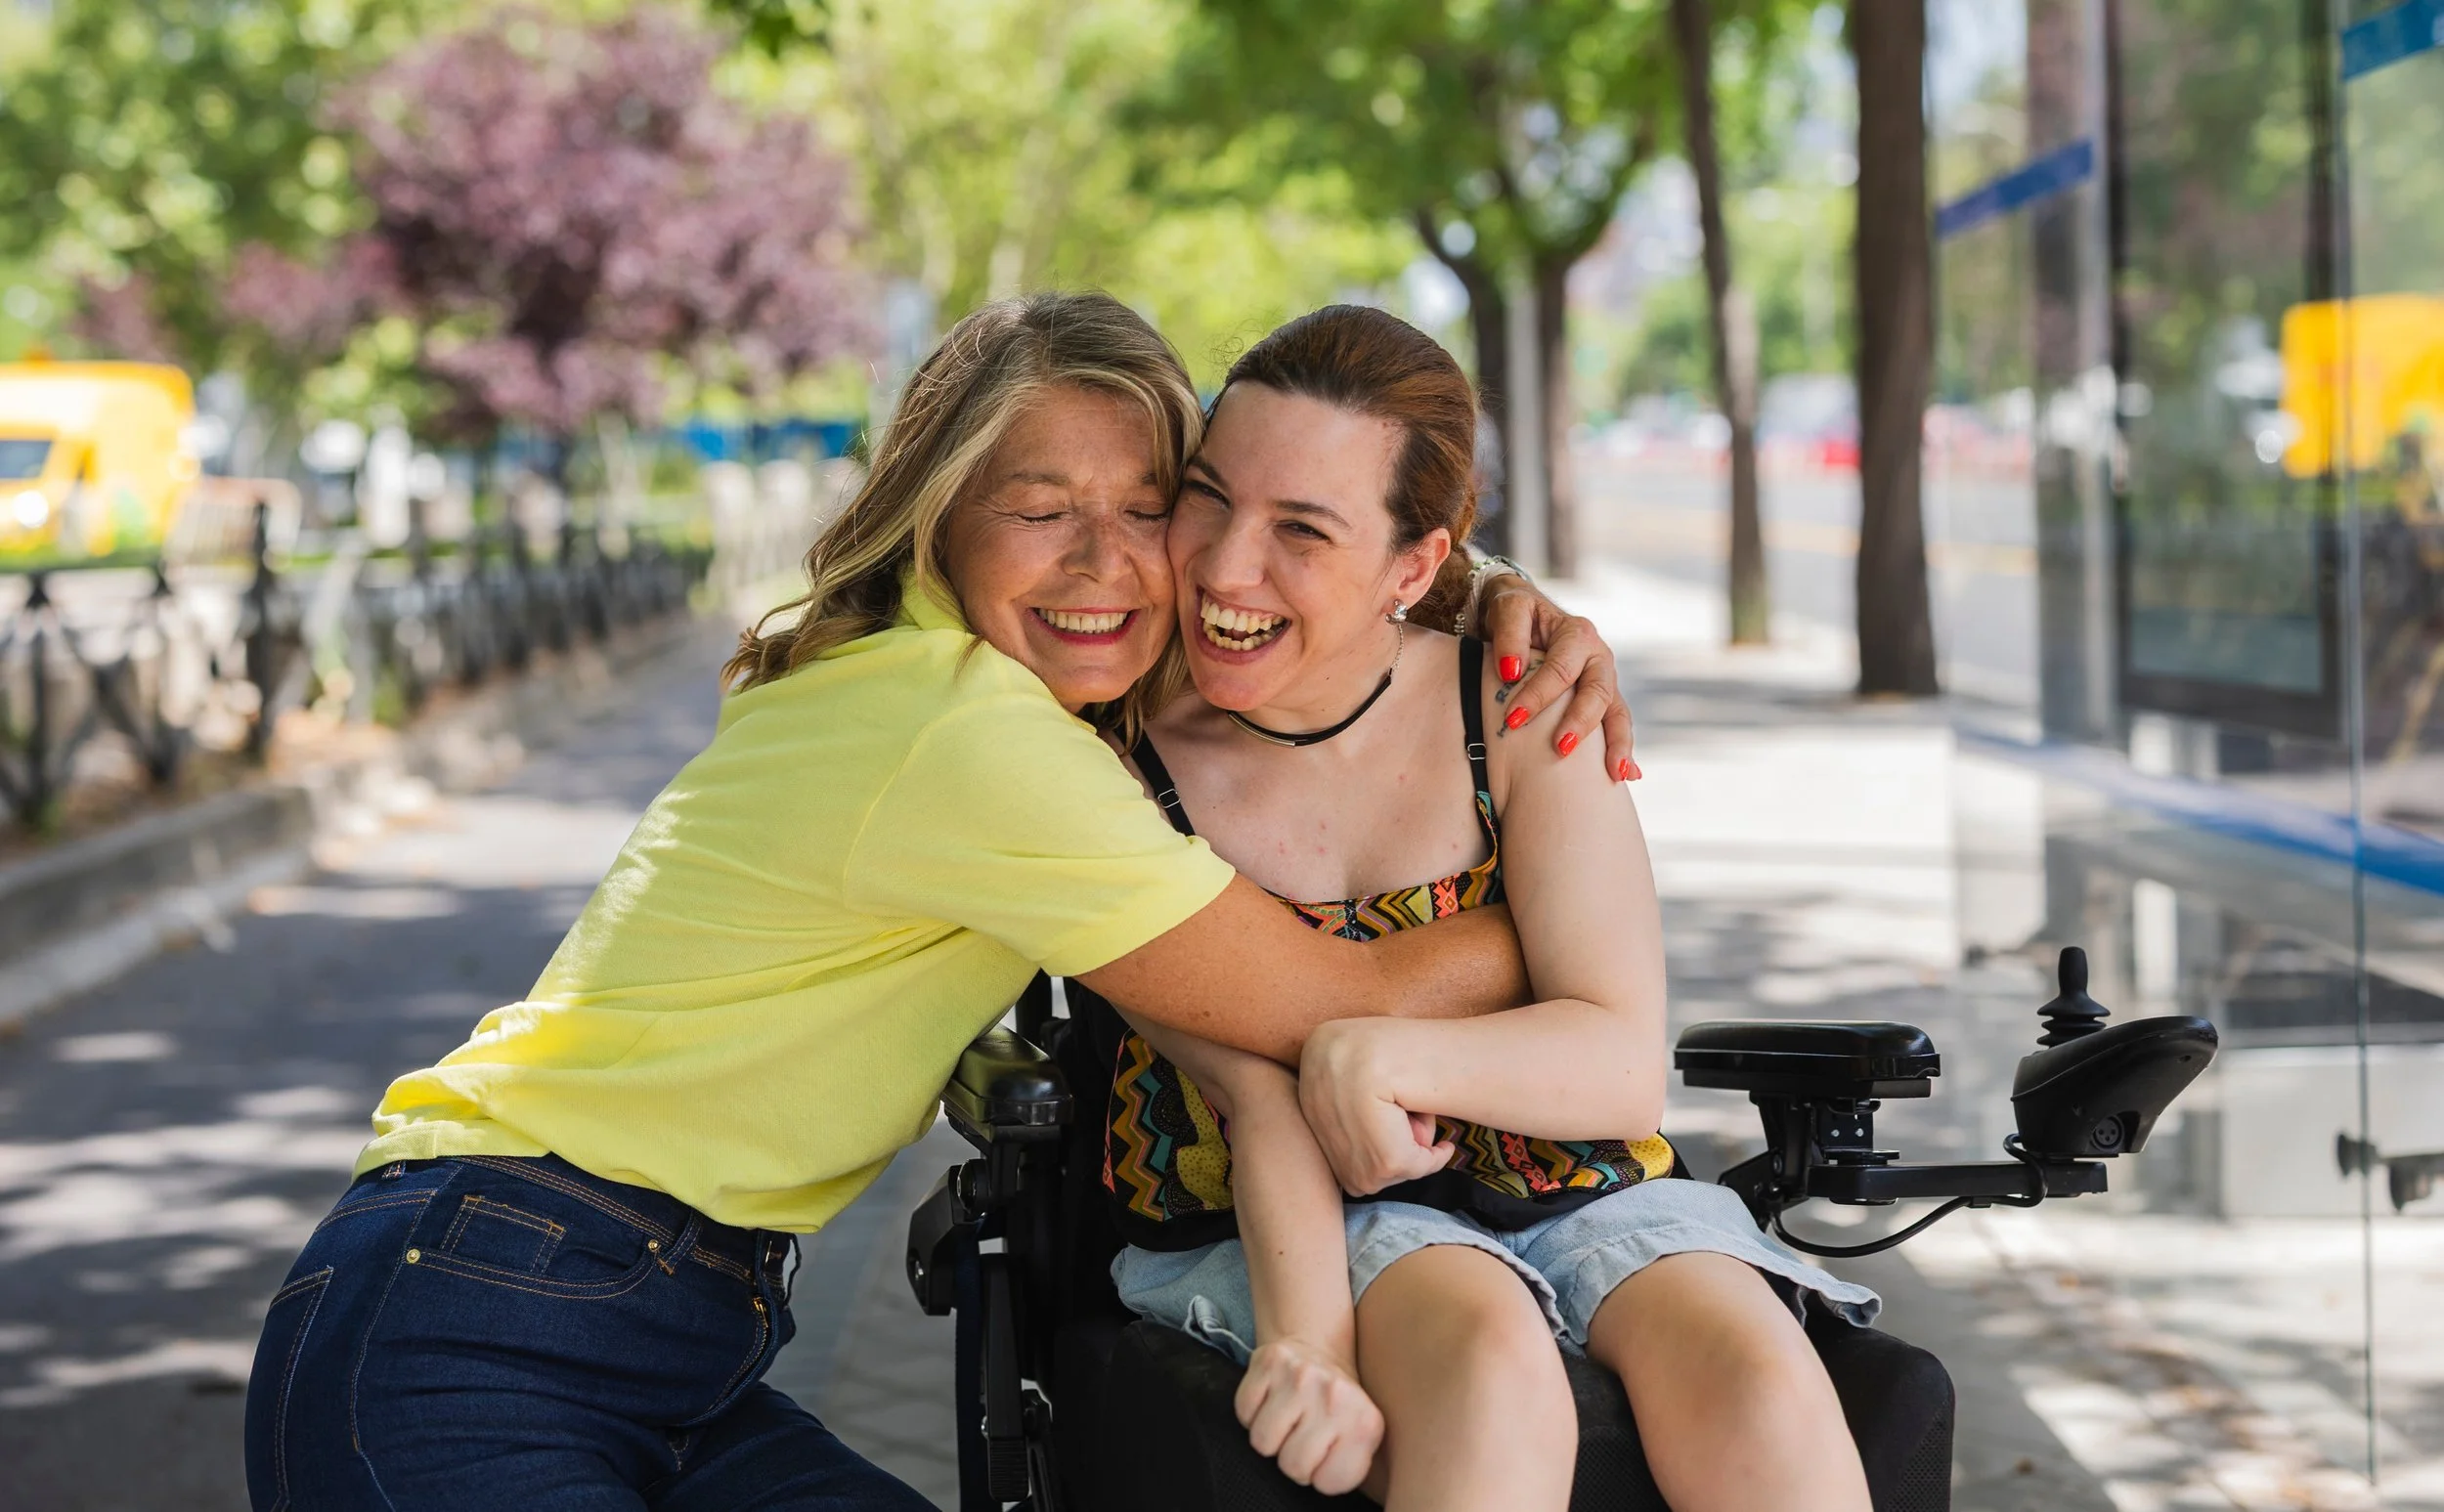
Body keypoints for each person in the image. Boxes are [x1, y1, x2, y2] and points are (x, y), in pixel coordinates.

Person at [241, 291, 1634, 1511]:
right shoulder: (968, 734)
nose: (1105, 561)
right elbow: (1355, 996)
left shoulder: (987, 695)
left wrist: (1494, 592)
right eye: (1040, 511)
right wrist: (1563, 913)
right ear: (939, 518)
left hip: (651, 1327)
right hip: (481, 1321)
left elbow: (1341, 596)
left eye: (1151, 508)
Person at [1084, 306, 1878, 1511]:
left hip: (1585, 1183)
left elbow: (1616, 1065)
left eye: (1302, 527)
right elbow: (1256, 1091)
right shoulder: (1109, 751)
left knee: (1760, 1375)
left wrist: (1370, 1051)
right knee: (1491, 1366)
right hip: (1282, 1214)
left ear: (1414, 565)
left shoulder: (1511, 696)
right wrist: (1316, 1340)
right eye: (1208, 496)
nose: (1225, 565)